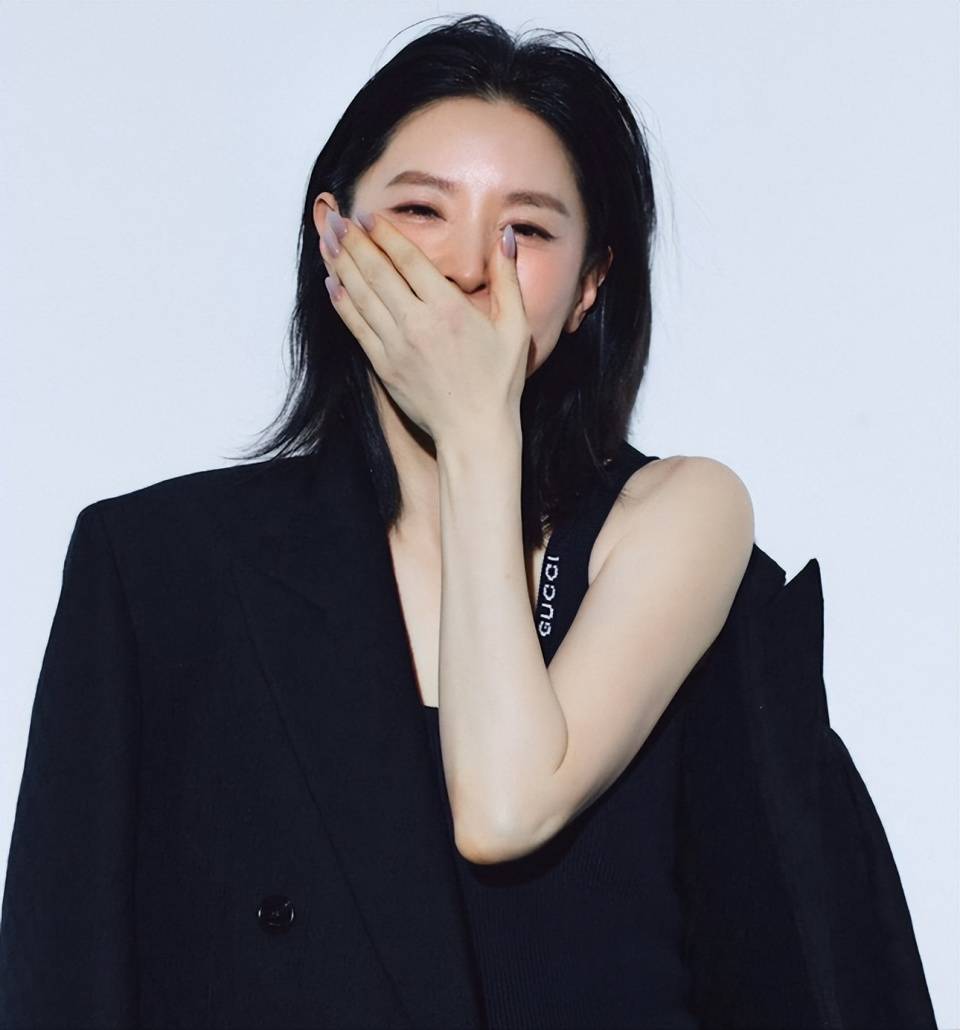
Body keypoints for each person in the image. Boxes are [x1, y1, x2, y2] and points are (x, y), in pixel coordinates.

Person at [0, 13, 936, 1030]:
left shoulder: (675, 517)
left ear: (590, 285)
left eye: (526, 229)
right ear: (333, 239)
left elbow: (504, 807)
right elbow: (62, 977)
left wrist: (478, 434)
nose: (468, 266)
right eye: (420, 210)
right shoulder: (159, 567)